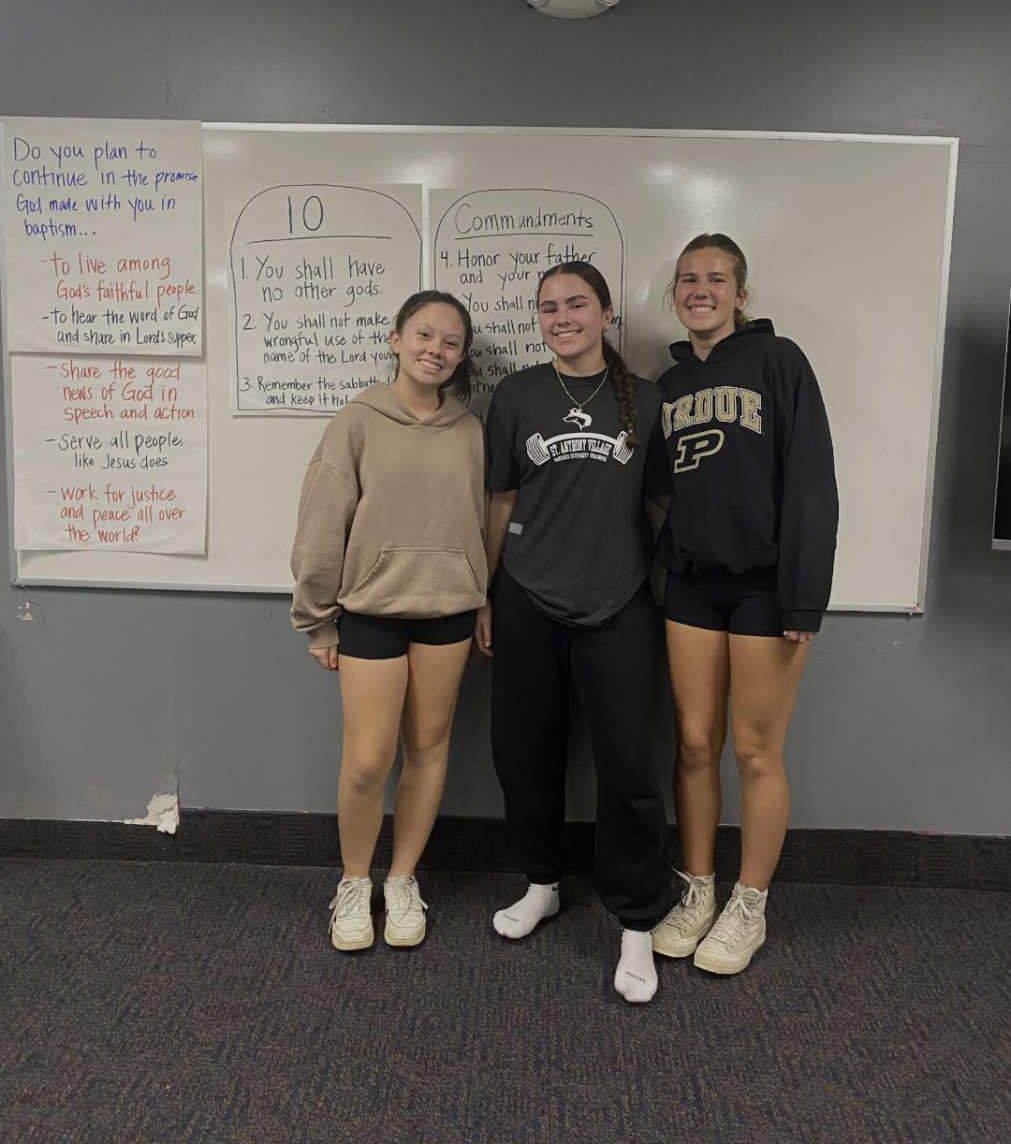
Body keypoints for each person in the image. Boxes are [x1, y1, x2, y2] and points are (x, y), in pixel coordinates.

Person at [476, 261, 674, 1004]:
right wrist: (485, 593)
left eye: (576, 304)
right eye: (548, 307)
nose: (561, 317)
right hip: (527, 594)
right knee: (524, 752)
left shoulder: (648, 400)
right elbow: (499, 500)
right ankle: (542, 882)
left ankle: (636, 919)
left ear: (605, 313)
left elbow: (662, 503)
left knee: (628, 765)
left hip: (620, 600)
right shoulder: (516, 394)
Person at [649, 233, 838, 974]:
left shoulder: (779, 361)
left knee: (755, 752)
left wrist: (804, 600)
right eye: (688, 279)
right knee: (694, 744)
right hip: (691, 588)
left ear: (741, 293)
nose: (701, 289)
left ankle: (749, 904)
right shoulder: (667, 385)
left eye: (716, 279)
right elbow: (659, 489)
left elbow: (812, 482)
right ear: (675, 294)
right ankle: (697, 890)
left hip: (766, 589)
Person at [290, 291, 487, 952]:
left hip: (448, 612)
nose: (436, 350)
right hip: (371, 612)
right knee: (368, 761)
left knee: (428, 747)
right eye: (424, 335)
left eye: (451, 343)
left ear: (461, 357)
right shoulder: (356, 422)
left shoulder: (469, 431)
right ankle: (354, 881)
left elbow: (476, 520)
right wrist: (317, 620)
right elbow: (321, 526)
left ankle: (401, 879)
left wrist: (481, 598)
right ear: (396, 338)